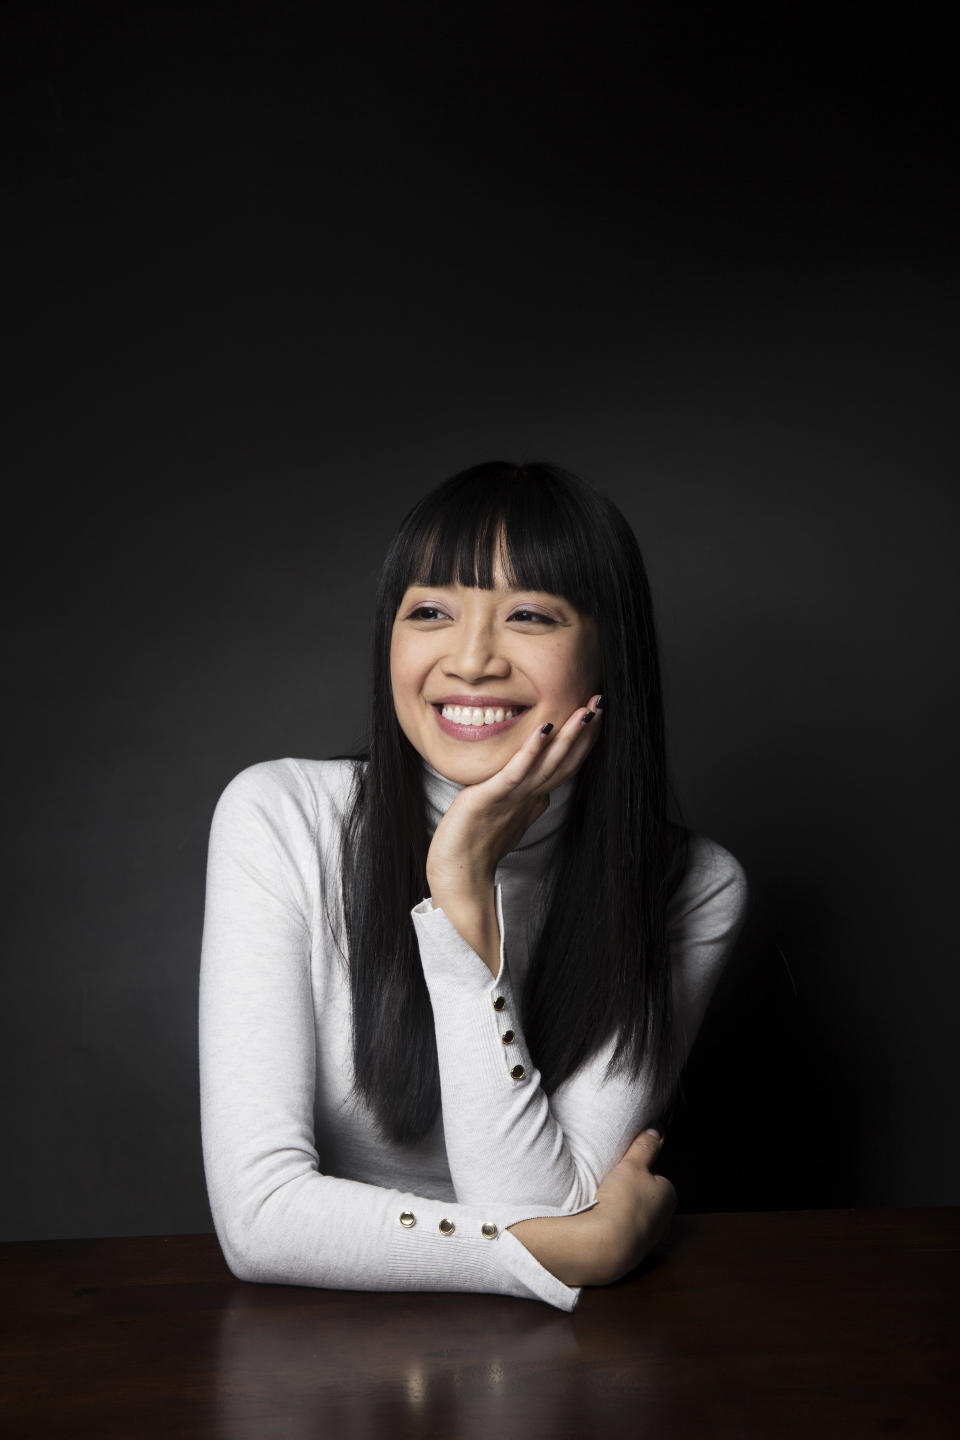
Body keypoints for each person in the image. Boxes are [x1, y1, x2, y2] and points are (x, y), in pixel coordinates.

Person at [199, 459, 747, 1312]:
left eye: (529, 615)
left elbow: (537, 1207)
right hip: (323, 1351)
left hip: (556, 1373)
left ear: (610, 652)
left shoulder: (692, 886)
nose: (472, 658)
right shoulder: (280, 815)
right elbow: (260, 1220)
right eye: (430, 612)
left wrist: (460, 886)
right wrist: (577, 1246)